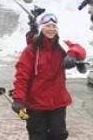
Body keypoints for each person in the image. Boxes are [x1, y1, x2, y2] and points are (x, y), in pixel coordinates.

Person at [11, 12, 86, 140]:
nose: (51, 29)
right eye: (47, 26)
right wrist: (18, 99)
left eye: (54, 26)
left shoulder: (62, 46)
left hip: (57, 103)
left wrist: (72, 54)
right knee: (38, 136)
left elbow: (80, 50)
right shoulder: (31, 50)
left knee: (58, 135)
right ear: (41, 29)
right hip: (36, 104)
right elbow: (22, 77)